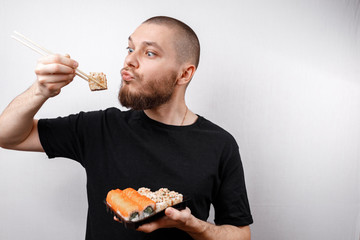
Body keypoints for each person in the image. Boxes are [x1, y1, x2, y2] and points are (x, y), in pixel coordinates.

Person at [0, 16, 253, 240]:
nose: (129, 61)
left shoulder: (220, 144)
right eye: (130, 48)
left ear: (184, 74)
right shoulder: (100, 128)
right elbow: (7, 136)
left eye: (149, 53)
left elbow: (240, 233)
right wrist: (40, 90)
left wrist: (195, 227)